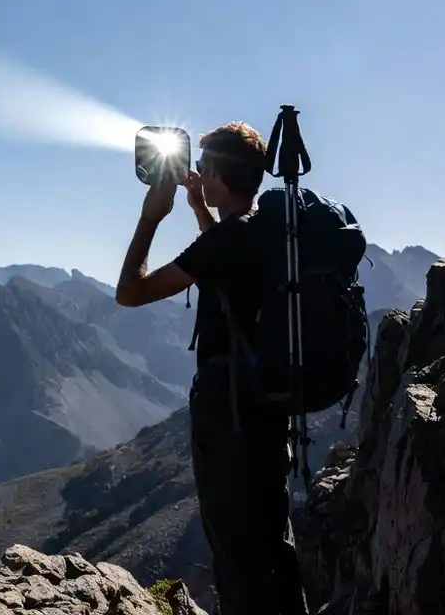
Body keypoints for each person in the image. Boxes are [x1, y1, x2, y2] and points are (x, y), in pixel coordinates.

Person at [114, 121, 309, 615]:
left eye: (204, 168)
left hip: (229, 419)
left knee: (237, 559)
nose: (196, 173)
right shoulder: (267, 228)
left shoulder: (225, 243)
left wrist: (151, 217)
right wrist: (202, 208)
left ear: (221, 176)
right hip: (271, 409)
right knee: (273, 544)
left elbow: (130, 292)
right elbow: (228, 275)